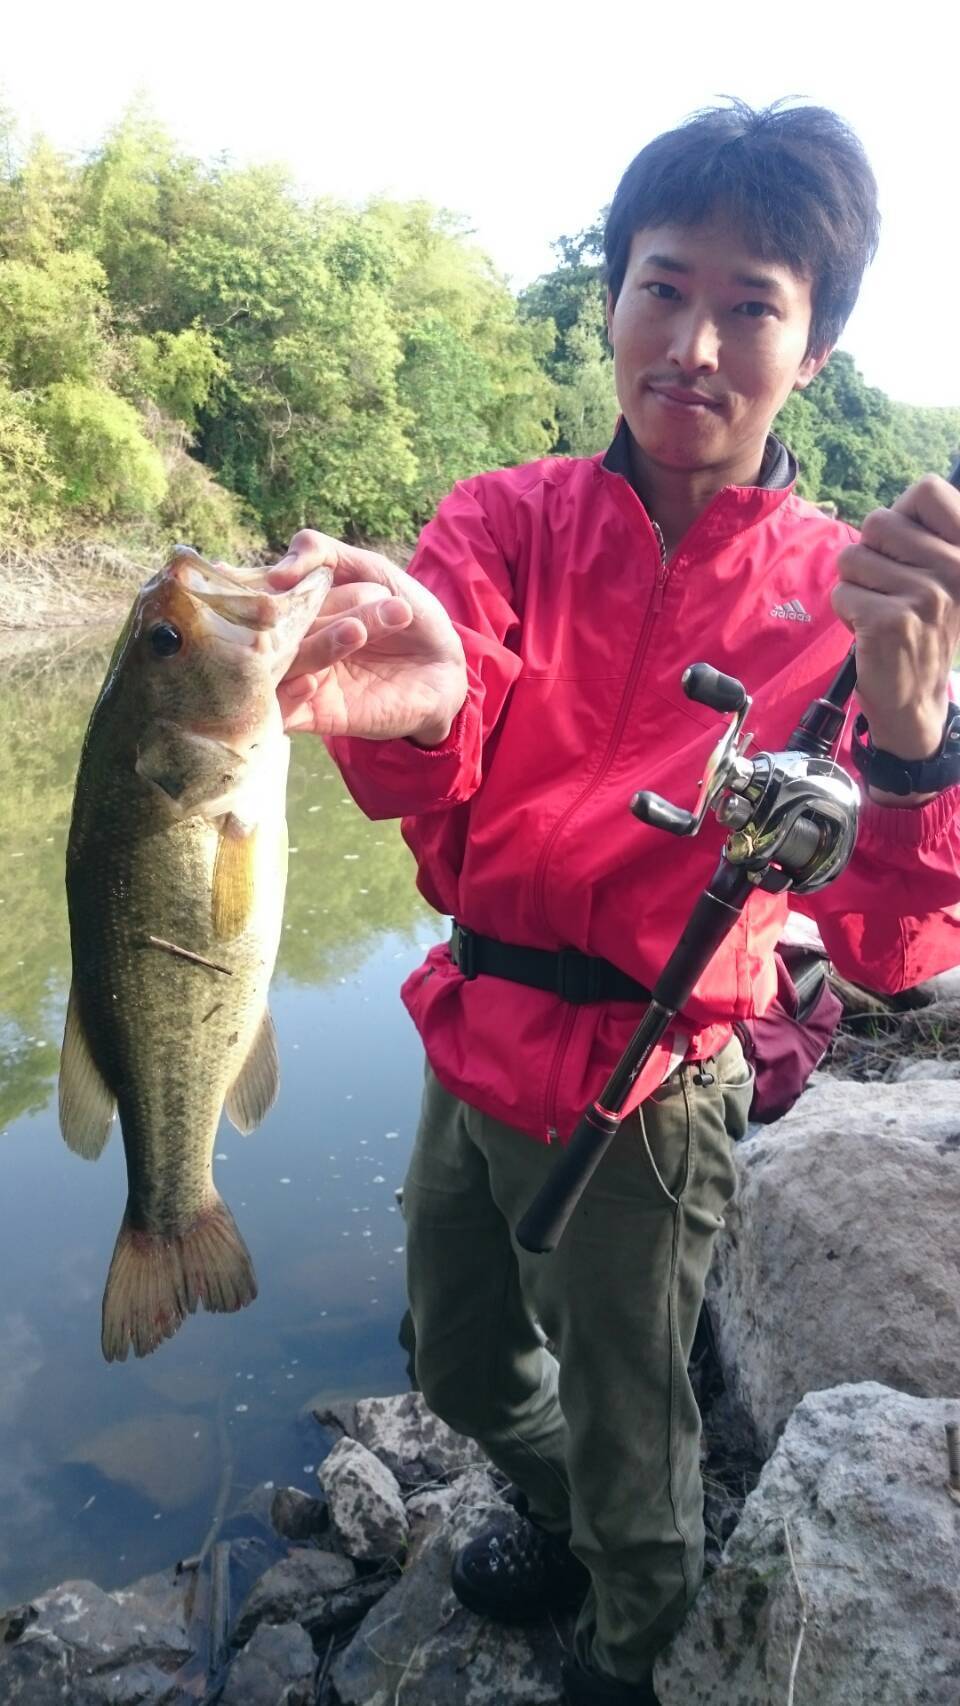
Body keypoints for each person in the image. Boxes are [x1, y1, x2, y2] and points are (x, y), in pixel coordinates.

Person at [268, 101, 960, 1705]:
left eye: (753, 303)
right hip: (473, 1031)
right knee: (454, 1361)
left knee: (639, 1435)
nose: (696, 341)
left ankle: (642, 1640)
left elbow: (892, 946)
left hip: (650, 1094)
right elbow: (435, 778)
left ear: (821, 343)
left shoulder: (847, 595)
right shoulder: (503, 521)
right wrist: (430, 702)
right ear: (611, 301)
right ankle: (566, 1512)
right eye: (663, 286)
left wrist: (920, 740)